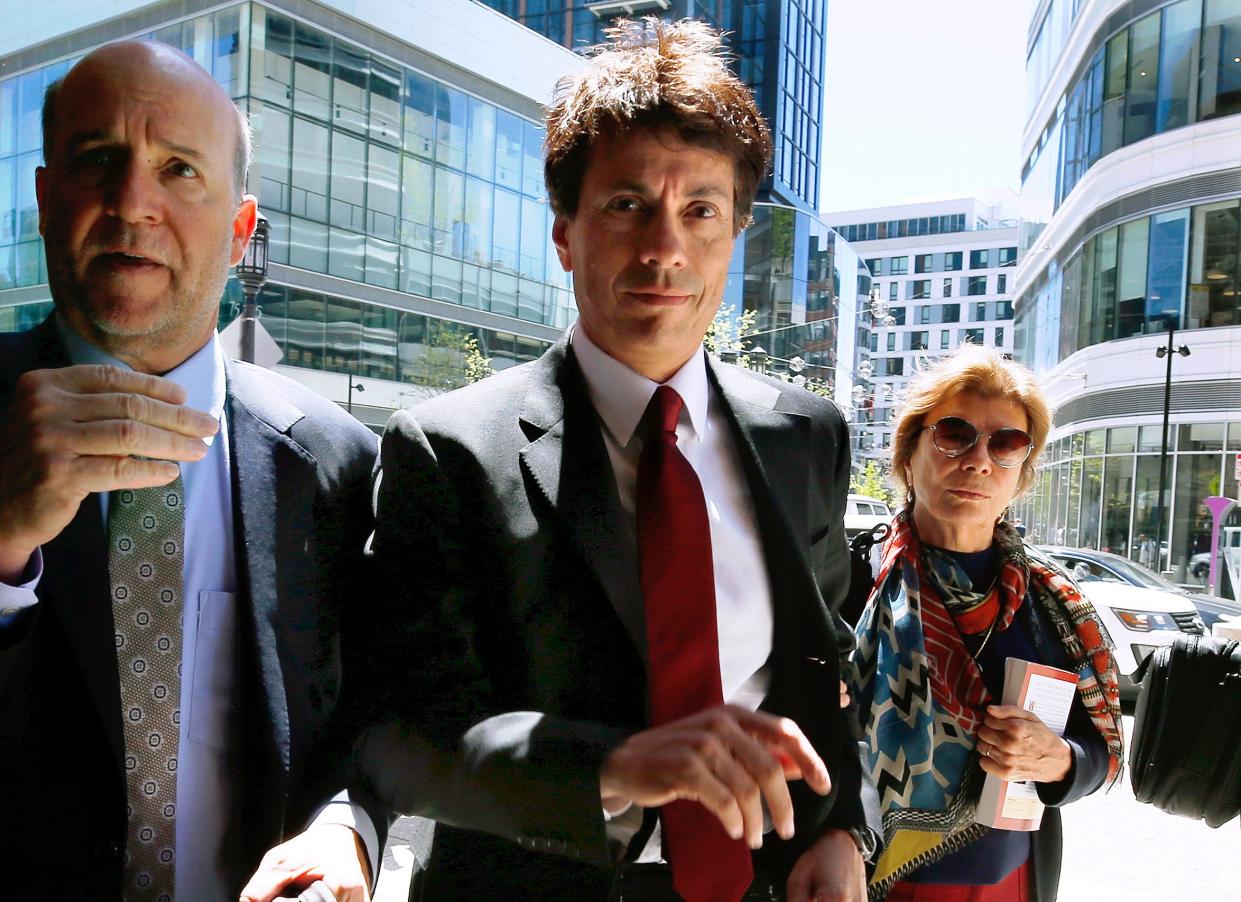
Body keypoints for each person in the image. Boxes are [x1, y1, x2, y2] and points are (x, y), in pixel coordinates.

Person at [330, 17, 878, 902]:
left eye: (699, 210)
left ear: (732, 237)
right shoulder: (447, 450)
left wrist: (843, 825)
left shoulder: (805, 437)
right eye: (627, 205)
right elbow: (401, 737)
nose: (664, 248)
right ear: (565, 234)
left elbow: (822, 670)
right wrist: (614, 765)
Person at [0, 42, 384, 901]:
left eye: (178, 170)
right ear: (42, 198)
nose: (133, 202)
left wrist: (348, 824)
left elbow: (378, 721)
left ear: (241, 230)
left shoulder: (338, 462)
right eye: (97, 160)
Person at [847, 346, 1124, 901]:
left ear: (1021, 472)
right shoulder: (852, 579)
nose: (978, 461)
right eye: (954, 434)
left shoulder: (1052, 604)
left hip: (1008, 883)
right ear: (909, 451)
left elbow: (1100, 754)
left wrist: (1058, 757)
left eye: (1007, 444)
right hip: (864, 878)